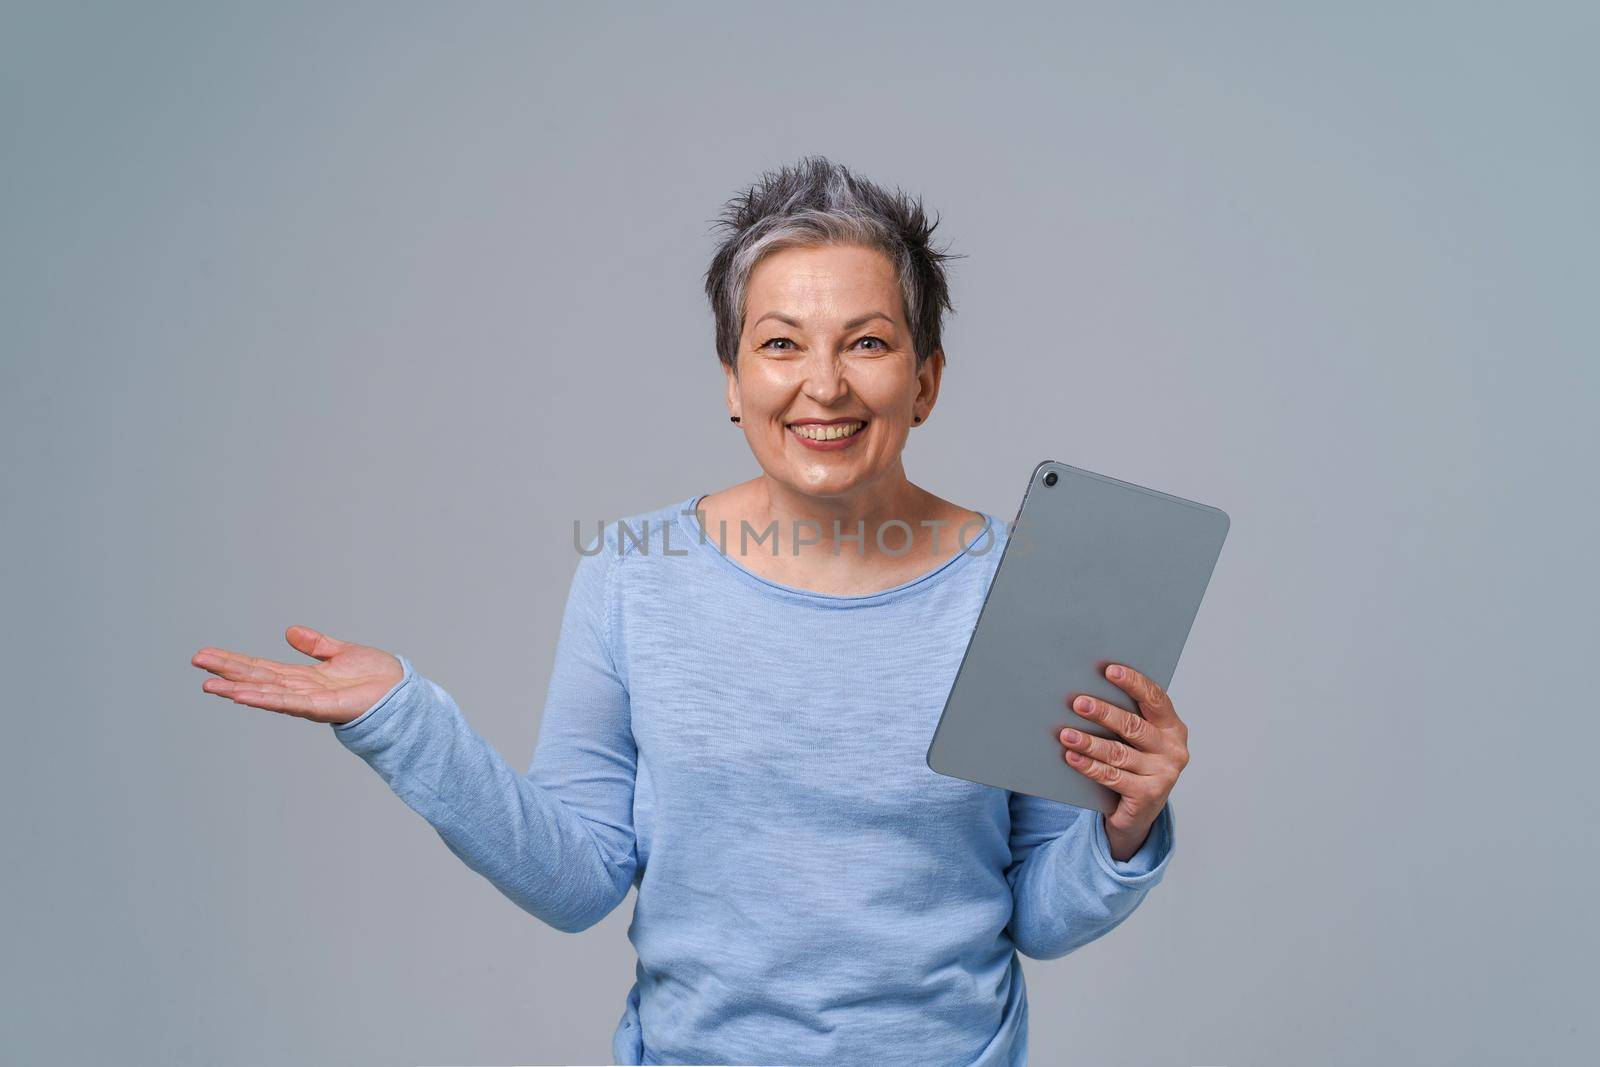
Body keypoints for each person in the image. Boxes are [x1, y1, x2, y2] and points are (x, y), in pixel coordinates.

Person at [190, 155, 1190, 1066]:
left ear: (924, 380)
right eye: (781, 343)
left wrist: (1122, 827)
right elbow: (578, 876)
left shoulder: (1022, 583)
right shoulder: (633, 574)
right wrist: (402, 718)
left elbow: (1038, 915)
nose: (823, 385)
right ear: (733, 380)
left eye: (869, 342)